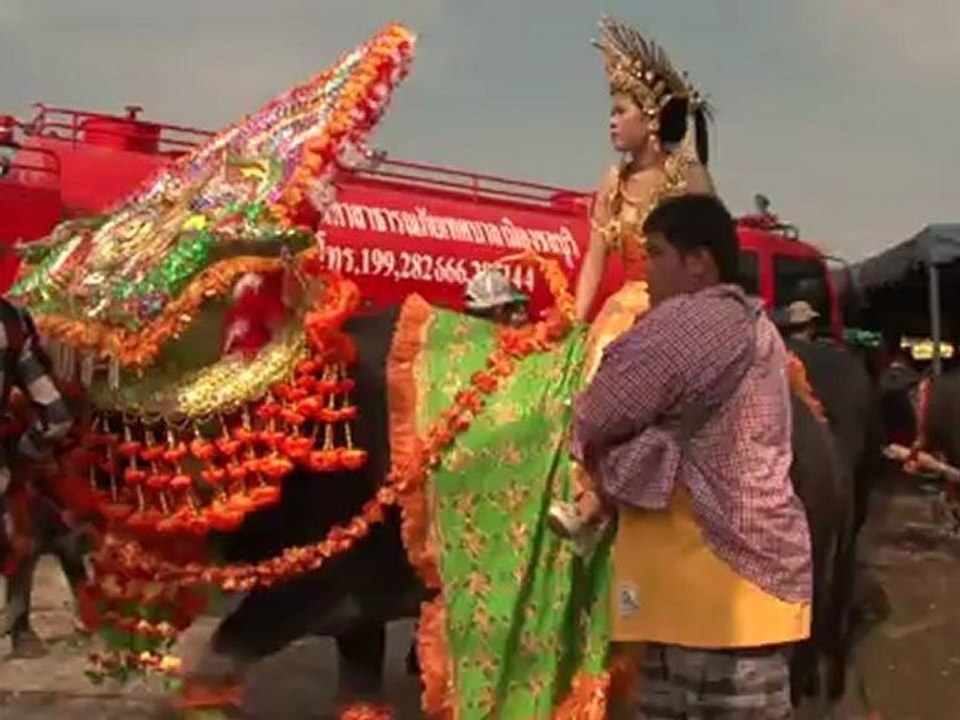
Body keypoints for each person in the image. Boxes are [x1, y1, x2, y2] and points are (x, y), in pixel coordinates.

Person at [571, 193, 812, 718]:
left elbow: (596, 413)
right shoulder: (754, 324)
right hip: (737, 600)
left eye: (655, 254)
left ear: (700, 262)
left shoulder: (693, 321)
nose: (644, 271)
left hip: (706, 598)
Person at [550, 15, 715, 550]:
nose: (611, 123)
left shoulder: (686, 177)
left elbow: (713, 251)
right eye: (611, 113)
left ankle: (601, 500)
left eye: (619, 112)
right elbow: (595, 259)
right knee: (584, 371)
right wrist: (575, 323)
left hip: (679, 308)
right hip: (624, 307)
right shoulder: (610, 182)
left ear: (649, 117)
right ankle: (587, 491)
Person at [0, 298, 78, 657]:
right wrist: (22, 455)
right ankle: (19, 629)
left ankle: (20, 626)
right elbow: (57, 417)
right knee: (26, 534)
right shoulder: (11, 320)